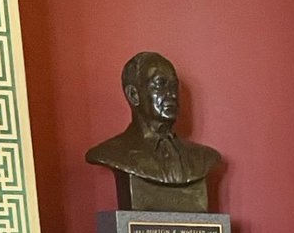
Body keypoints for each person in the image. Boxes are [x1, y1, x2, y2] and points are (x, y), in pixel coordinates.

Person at [85, 52, 221, 211]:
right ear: (133, 95)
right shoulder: (113, 152)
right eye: (160, 84)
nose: (172, 94)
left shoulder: (202, 157)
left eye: (174, 86)